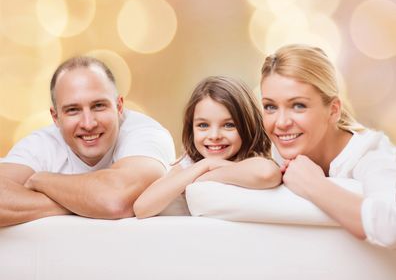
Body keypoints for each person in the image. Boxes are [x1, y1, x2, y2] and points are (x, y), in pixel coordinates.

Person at [0, 56, 175, 227]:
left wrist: (41, 180)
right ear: (56, 117)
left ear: (119, 106)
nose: (88, 123)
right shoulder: (41, 144)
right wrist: (83, 204)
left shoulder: (146, 134)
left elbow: (115, 201)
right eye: (73, 110)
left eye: (98, 106)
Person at [260, 44, 396, 248]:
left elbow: (391, 225)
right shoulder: (275, 148)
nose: (280, 123)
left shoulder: (371, 155)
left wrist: (313, 185)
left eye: (298, 105)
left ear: (333, 110)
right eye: (270, 107)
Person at [133, 76, 282, 218]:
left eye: (229, 125)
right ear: (191, 128)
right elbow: (142, 208)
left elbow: (268, 174)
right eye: (203, 125)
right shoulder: (190, 164)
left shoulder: (253, 158)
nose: (214, 136)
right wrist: (205, 164)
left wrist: (208, 171)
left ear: (247, 125)